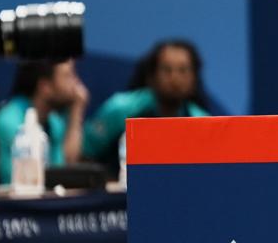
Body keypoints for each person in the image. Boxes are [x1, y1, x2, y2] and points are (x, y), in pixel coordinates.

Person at [83, 40, 211, 166]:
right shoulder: (120, 109)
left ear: (194, 79)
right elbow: (85, 152)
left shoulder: (203, 123)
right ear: (151, 77)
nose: (175, 78)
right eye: (167, 70)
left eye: (183, 70)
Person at [0, 60, 88, 185]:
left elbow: (63, 173)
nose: (76, 84)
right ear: (45, 87)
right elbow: (13, 184)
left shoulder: (54, 122)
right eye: (68, 76)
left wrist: (76, 111)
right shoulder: (9, 123)